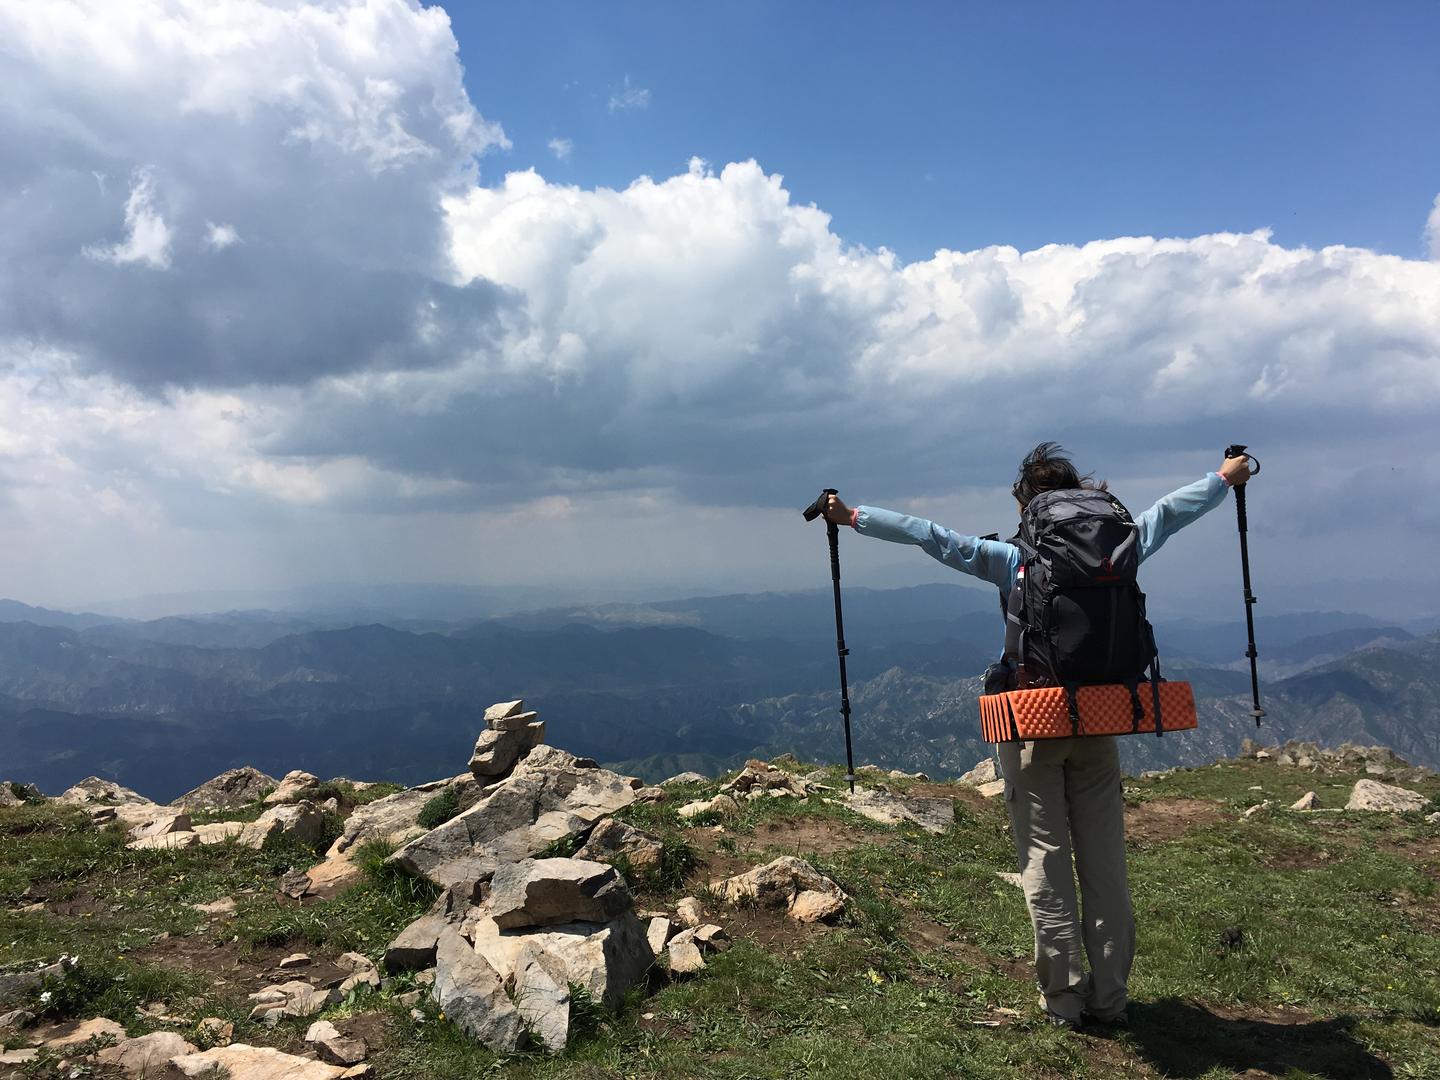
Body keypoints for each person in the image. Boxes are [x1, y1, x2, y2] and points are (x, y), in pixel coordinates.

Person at [824, 443, 1254, 1030]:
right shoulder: (1121, 544)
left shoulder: (1015, 558)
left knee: (1045, 864)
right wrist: (1224, 478)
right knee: (1105, 865)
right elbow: (1169, 513)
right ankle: (1110, 1002)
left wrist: (852, 517)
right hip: (1101, 720)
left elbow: (933, 536)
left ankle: (1064, 1004)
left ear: (1029, 503)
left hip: (1034, 724)